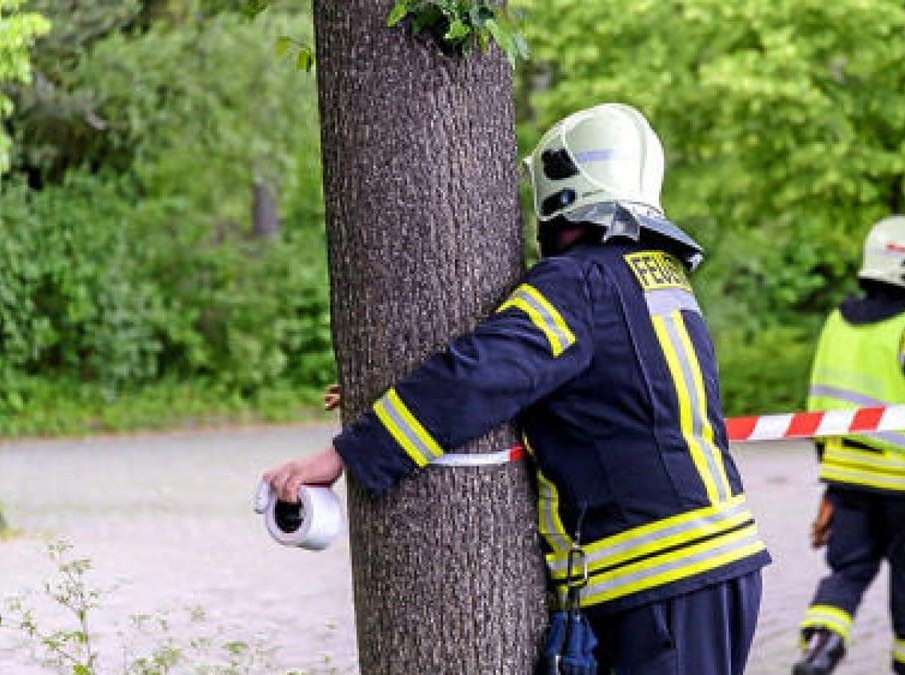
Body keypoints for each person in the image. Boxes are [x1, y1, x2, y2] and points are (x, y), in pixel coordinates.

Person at [262, 103, 770, 675]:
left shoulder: (578, 281)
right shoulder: (657, 274)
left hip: (659, 581)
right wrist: (381, 402)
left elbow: (477, 376)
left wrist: (344, 453)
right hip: (714, 567)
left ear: (561, 194)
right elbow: (589, 391)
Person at [792, 216, 905, 675]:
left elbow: (818, 405)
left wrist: (831, 481)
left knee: (847, 572)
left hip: (850, 483)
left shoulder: (836, 324)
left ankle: (821, 643)